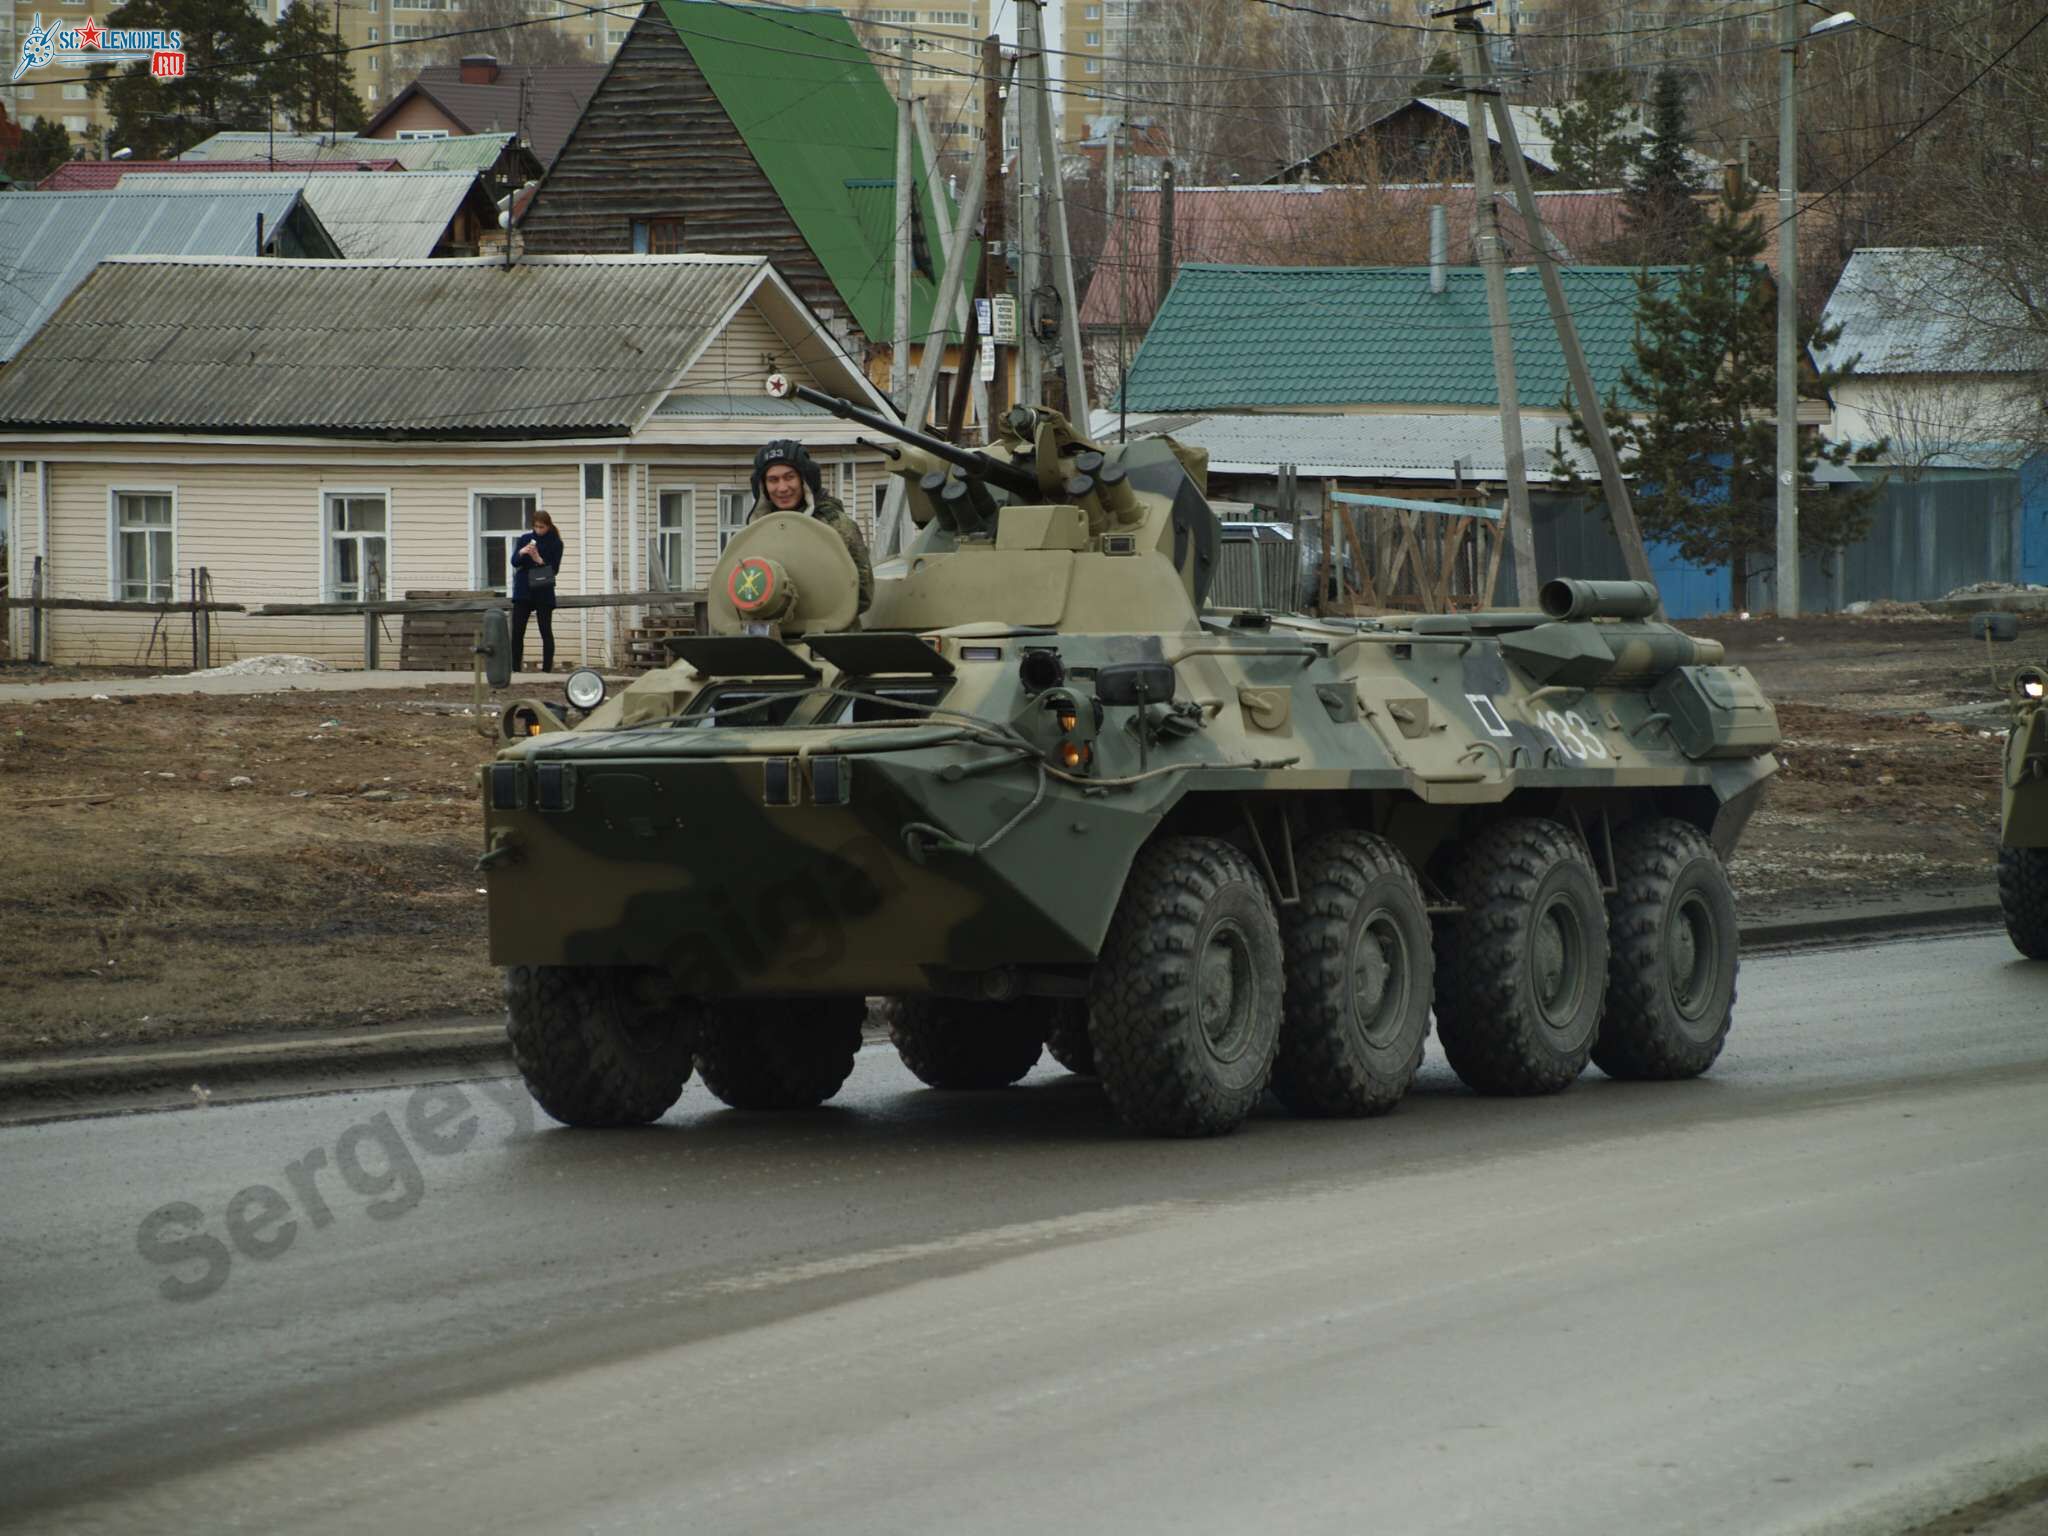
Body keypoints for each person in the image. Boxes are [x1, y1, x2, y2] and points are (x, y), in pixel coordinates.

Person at [748, 439, 873, 616]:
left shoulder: (836, 526)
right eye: (773, 480)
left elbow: (863, 592)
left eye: (789, 477)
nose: (782, 488)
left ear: (804, 480)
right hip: (771, 629)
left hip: (829, 633)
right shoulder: (756, 531)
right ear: (763, 486)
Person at [510, 509, 564, 673]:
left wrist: (539, 559)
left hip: (543, 589)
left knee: (545, 630)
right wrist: (521, 552)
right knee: (518, 631)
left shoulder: (555, 542)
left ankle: (546, 670)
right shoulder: (526, 539)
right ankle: (515, 669)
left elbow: (554, 569)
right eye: (536, 527)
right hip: (524, 589)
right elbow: (514, 562)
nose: (539, 530)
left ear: (548, 526)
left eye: (542, 527)